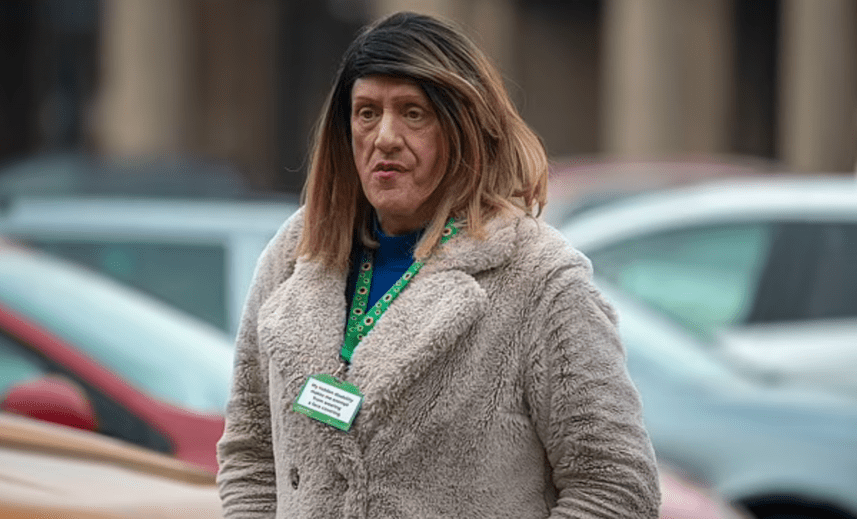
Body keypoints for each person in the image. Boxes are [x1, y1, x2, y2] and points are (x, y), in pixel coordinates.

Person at [217, 11, 660, 519]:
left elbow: (615, 486)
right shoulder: (296, 253)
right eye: (367, 113)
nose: (385, 136)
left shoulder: (539, 279)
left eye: (413, 113)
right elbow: (250, 452)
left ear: (464, 128)